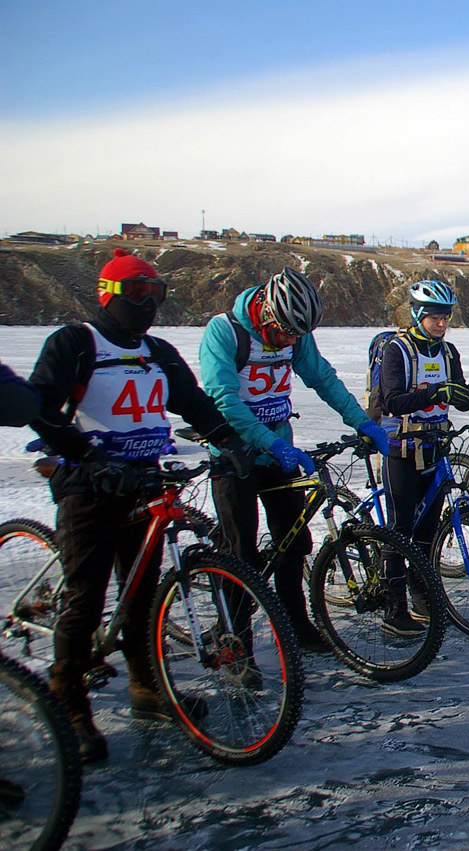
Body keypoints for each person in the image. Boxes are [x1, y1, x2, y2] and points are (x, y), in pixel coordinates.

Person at [27, 248, 252, 762]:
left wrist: (230, 442)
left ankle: (147, 686)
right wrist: (85, 458)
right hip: (92, 489)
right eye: (137, 293)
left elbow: (194, 402)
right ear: (108, 296)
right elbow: (41, 409)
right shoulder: (76, 343)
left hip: (145, 486)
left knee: (144, 594)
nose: (148, 303)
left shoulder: (157, 351)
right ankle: (68, 700)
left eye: (157, 293)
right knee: (86, 599)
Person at [199, 267, 389, 652]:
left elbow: (322, 378)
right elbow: (224, 400)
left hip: (277, 453)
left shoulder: (295, 334)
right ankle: (237, 646)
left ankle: (297, 628)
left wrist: (360, 421)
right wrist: (270, 443)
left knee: (294, 543)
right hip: (235, 456)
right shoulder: (224, 332)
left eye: (297, 335)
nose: (291, 341)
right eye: (286, 333)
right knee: (242, 556)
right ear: (267, 315)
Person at [373, 280, 469, 634]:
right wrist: (432, 392)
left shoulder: (448, 351)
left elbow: (455, 392)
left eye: (445, 317)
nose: (441, 324)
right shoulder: (397, 350)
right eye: (434, 318)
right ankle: (393, 606)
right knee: (400, 528)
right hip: (401, 449)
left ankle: (422, 593)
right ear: (417, 315)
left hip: (435, 447)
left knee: (427, 529)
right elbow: (392, 399)